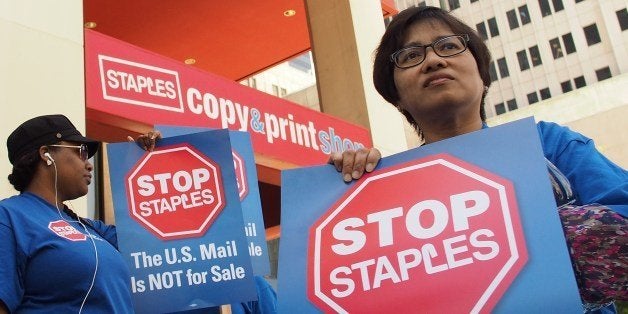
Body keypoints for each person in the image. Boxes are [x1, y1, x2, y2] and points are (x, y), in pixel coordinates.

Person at [328, 6, 627, 313]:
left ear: (482, 74)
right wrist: (349, 187)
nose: (433, 60)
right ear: (397, 97)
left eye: (448, 46)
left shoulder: (549, 146)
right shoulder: (383, 192)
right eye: (409, 56)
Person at [0, 114, 160, 313]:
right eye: (82, 152)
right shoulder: (9, 217)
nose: (89, 164)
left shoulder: (92, 230)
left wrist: (148, 169)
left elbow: (155, 246)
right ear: (46, 154)